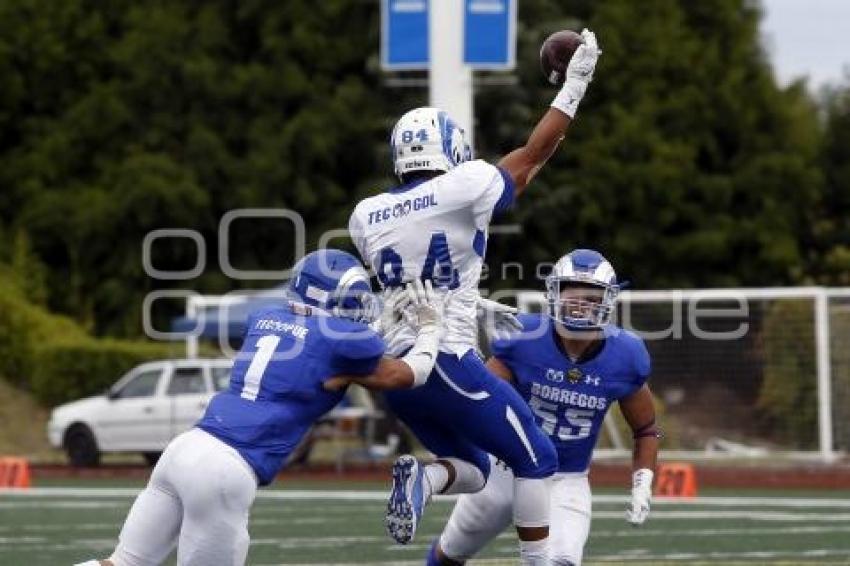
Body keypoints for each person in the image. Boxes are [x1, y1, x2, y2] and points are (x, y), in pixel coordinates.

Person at [348, 29, 602, 565]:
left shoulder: (365, 215)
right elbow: (532, 157)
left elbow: (418, 269)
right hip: (445, 359)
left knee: (478, 470)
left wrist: (472, 300)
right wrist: (575, 84)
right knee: (538, 457)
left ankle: (424, 477)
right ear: (451, 147)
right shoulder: (464, 185)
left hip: (396, 373)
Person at [75, 249, 445, 566]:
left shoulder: (267, 319)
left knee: (123, 562)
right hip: (225, 469)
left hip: (185, 449)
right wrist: (429, 327)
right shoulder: (340, 344)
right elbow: (410, 374)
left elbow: (318, 338)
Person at [429, 249, 661, 566]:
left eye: (591, 298)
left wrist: (642, 482)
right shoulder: (523, 338)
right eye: (572, 295)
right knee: (450, 554)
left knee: (562, 561)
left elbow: (646, 429)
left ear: (608, 301)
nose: (580, 306)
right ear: (554, 294)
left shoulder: (626, 356)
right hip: (506, 469)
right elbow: (480, 400)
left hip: (566, 479)